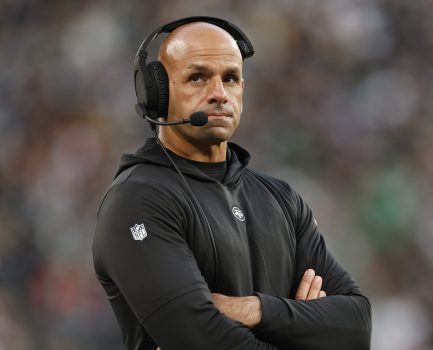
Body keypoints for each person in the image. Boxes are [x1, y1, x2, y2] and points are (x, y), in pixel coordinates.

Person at [92, 17, 372, 350]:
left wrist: (255, 309)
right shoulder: (137, 200)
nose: (219, 94)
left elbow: (356, 326)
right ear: (159, 93)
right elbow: (202, 339)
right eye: (197, 78)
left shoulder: (281, 199)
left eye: (230, 78)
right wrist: (303, 326)